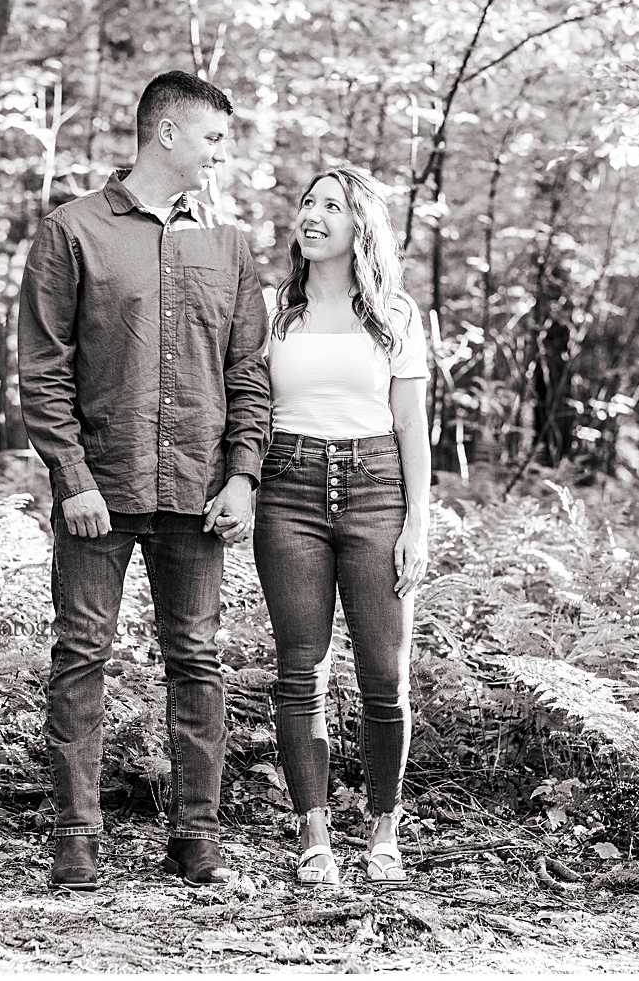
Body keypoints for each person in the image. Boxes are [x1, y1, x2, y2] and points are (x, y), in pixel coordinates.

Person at [17, 70, 269, 891]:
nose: (219, 156)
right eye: (212, 139)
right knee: (80, 655)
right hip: (101, 492)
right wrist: (73, 478)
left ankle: (196, 838)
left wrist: (243, 477)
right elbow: (44, 370)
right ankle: (77, 839)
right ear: (166, 133)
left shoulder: (230, 246)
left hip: (198, 496)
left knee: (197, 659)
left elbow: (248, 373)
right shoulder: (72, 231)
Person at [253, 167, 429, 886]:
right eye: (307, 201)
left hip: (378, 488)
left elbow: (413, 422)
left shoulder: (396, 314)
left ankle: (385, 830)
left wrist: (419, 520)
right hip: (289, 490)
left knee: (385, 675)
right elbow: (249, 409)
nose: (313, 213)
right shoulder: (272, 312)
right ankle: (314, 835)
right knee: (301, 673)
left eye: (332, 204)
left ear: (361, 224)